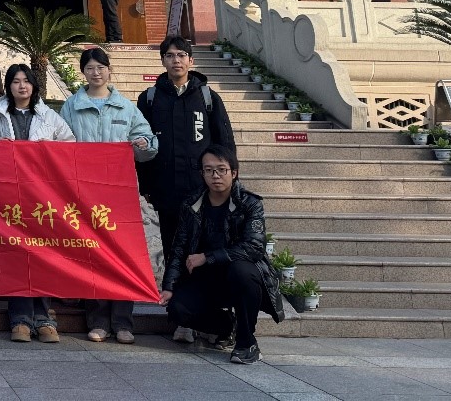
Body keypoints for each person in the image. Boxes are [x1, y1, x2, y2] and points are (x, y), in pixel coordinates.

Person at [137, 35, 236, 344]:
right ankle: (182, 320)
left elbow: (225, 143)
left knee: (204, 255)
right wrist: (146, 186)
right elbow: (141, 147)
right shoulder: (150, 98)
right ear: (162, 61)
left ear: (191, 60)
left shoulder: (207, 97)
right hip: (166, 192)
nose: (176, 60)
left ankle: (209, 319)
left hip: (203, 194)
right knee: (173, 253)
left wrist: (226, 185)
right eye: (170, 55)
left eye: (181, 55)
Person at [59, 47, 158, 345]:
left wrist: (143, 144)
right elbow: (60, 144)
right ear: (83, 72)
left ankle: (123, 322)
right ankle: (99, 321)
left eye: (101, 67)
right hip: (84, 193)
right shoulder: (71, 107)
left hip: (120, 193)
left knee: (123, 256)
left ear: (109, 70)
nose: (96, 72)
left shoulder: (126, 108)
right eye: (90, 68)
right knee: (93, 255)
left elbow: (149, 143)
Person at [159, 145, 284, 365]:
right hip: (205, 279)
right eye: (208, 170)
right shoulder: (191, 205)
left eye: (221, 169)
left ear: (233, 173)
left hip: (240, 278)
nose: (215, 175)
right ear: (202, 173)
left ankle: (247, 342)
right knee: (178, 310)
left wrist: (207, 257)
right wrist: (169, 286)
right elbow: (179, 247)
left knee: (241, 270)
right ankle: (227, 326)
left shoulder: (250, 204)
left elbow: (254, 247)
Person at [0, 63, 75, 344]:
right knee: (17, 257)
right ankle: (20, 319)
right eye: (16, 81)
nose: (21, 86)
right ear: (8, 86)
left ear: (34, 85)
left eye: (26, 81)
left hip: (43, 198)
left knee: (43, 256)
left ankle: (44, 318)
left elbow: (70, 147)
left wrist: (49, 149)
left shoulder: (50, 117)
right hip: (11, 198)